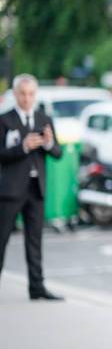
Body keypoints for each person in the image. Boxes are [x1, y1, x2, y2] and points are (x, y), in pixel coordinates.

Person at [0, 74, 63, 300]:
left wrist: (48, 143)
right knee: (2, 238)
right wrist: (23, 147)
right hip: (10, 191)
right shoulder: (4, 120)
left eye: (30, 94)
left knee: (35, 241)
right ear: (15, 95)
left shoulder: (43, 119)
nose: (27, 98)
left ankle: (37, 287)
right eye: (22, 94)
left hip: (36, 189)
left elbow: (58, 153)